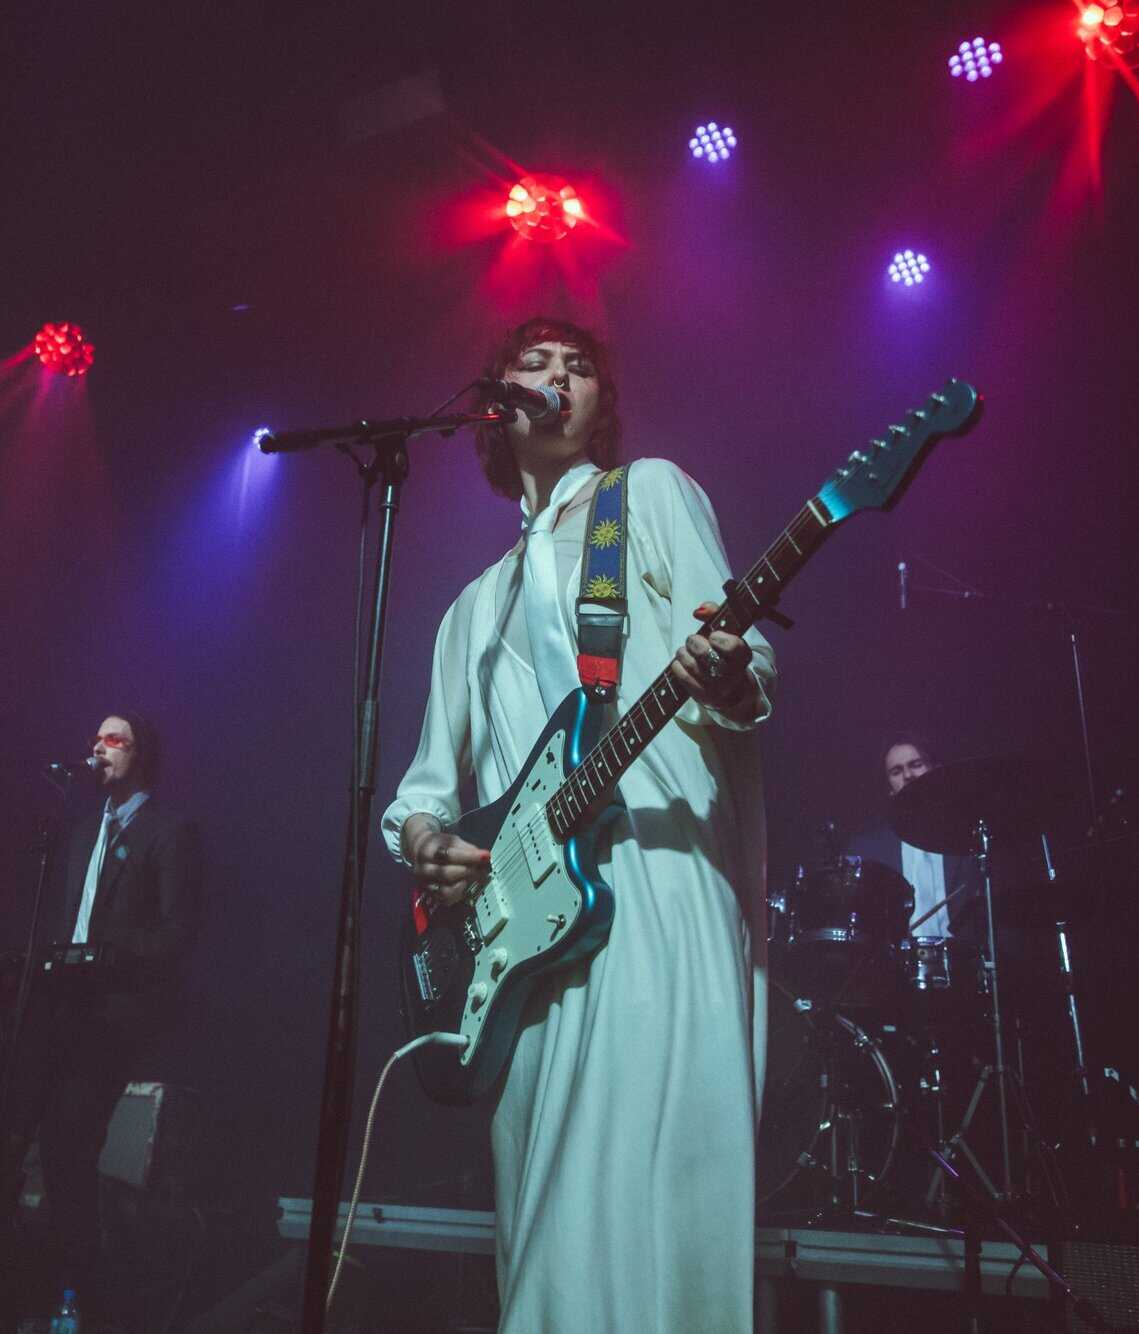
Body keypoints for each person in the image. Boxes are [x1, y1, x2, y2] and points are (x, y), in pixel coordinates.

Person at [382, 317, 777, 1332]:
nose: (559, 376)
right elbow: (422, 790)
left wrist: (728, 673)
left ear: (600, 404)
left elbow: (738, 650)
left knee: (648, 1174)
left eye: (580, 367)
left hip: (653, 870)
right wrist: (431, 847)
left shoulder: (647, 495)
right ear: (495, 403)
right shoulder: (470, 610)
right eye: (534, 363)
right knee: (543, 1196)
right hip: (520, 934)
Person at [18, 711, 202, 1315]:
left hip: (116, 1015)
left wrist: (108, 953)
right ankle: (48, 1285)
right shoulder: (79, 835)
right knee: (33, 1137)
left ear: (140, 754)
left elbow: (177, 934)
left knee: (70, 1138)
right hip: (63, 1008)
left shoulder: (168, 831)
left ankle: (84, 1295)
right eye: (94, 739)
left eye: (113, 739)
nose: (98, 748)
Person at [847, 733, 981, 943]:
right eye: (896, 771)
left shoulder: (971, 837)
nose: (908, 775)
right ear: (889, 788)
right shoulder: (866, 850)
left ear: (935, 770)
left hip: (963, 959)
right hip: (896, 962)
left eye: (916, 765)